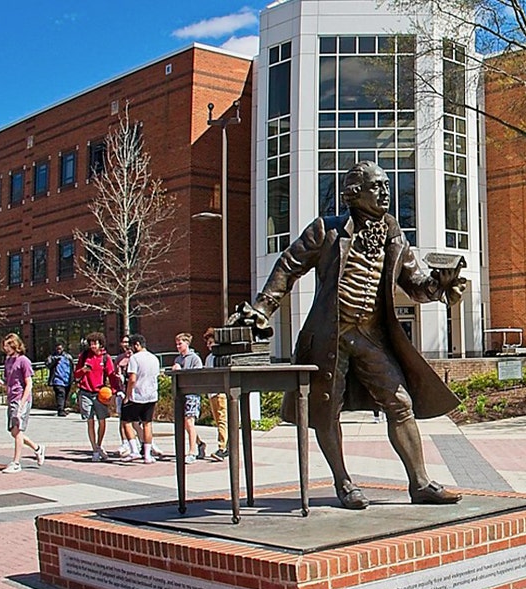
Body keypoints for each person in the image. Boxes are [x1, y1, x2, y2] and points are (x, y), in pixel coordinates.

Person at [229, 160, 466, 510]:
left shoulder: (394, 235)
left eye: (386, 185)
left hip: (371, 336)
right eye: (376, 186)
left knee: (400, 402)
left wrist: (440, 286)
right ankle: (343, 482)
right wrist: (263, 308)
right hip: (331, 337)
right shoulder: (326, 230)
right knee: (327, 411)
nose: (385, 192)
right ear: (354, 193)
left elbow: (415, 284)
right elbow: (289, 265)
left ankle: (420, 483)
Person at [0, 333, 46, 473]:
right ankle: (37, 448)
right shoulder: (8, 361)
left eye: (7, 346)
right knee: (14, 432)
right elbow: (8, 383)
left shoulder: (24, 361)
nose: (5, 348)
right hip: (11, 399)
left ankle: (16, 463)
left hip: (21, 399)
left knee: (18, 430)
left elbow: (29, 384)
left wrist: (22, 403)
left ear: (15, 346)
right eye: (4, 346)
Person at [74, 332, 116, 461]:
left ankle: (99, 444)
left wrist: (114, 392)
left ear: (100, 344)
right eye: (91, 343)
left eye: (95, 343)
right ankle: (95, 449)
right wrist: (83, 370)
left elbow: (111, 375)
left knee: (102, 421)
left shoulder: (105, 358)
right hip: (85, 392)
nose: (93, 346)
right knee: (90, 421)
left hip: (100, 393)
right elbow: (76, 374)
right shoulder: (84, 356)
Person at [122, 334, 161, 463]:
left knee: (126, 421)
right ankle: (147, 455)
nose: (131, 349)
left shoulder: (135, 358)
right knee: (147, 424)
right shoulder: (154, 358)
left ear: (137, 345)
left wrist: (128, 395)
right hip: (151, 395)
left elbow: (132, 379)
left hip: (137, 395)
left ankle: (134, 451)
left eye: (132, 346)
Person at [173, 332, 207, 463]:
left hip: (192, 393)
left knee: (189, 422)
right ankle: (199, 443)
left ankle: (192, 451)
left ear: (187, 343)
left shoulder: (194, 359)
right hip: (182, 394)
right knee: (186, 424)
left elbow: (197, 376)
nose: (178, 346)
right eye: (177, 344)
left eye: (180, 344)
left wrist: (181, 371)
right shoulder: (178, 359)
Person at [202, 327, 229, 461]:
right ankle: (226, 446)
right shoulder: (209, 358)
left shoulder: (220, 357)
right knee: (218, 421)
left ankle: (222, 447)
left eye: (211, 342)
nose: (209, 345)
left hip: (220, 392)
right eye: (207, 343)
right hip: (212, 393)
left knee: (222, 419)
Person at [113, 335, 134, 456]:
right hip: (122, 392)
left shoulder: (136, 358)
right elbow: (114, 376)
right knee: (122, 419)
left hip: (135, 393)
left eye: (128, 342)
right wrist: (116, 390)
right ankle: (125, 443)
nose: (126, 345)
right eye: (124, 342)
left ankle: (140, 443)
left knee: (137, 421)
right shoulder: (119, 359)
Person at [46, 343, 74, 416]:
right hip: (57, 380)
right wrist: (54, 361)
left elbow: (72, 367)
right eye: (57, 349)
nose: (59, 350)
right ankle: (60, 410)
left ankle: (63, 408)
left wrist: (73, 378)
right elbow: (48, 365)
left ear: (63, 348)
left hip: (67, 379)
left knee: (65, 394)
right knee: (60, 393)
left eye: (60, 349)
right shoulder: (52, 357)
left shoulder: (68, 357)